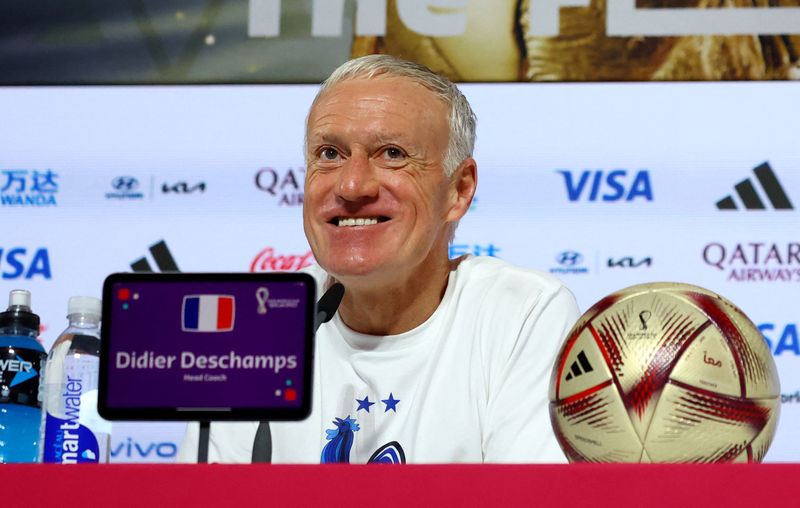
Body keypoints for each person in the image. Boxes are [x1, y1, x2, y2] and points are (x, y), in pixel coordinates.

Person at [178, 55, 580, 463]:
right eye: (330, 153)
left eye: (391, 153)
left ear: (459, 190)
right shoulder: (259, 324)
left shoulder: (521, 314)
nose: (352, 185)